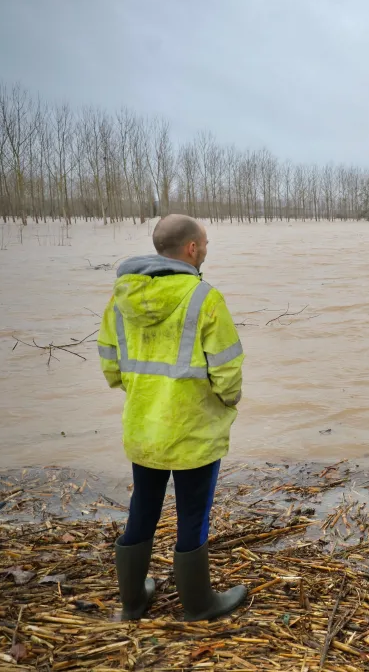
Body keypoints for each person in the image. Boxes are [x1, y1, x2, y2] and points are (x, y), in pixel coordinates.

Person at [97, 214, 247, 622]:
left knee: (143, 507)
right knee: (193, 514)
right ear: (192, 249)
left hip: (144, 427)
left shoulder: (120, 297)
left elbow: (110, 365)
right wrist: (228, 402)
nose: (207, 250)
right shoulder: (204, 298)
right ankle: (199, 604)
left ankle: (132, 601)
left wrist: (143, 395)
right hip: (194, 430)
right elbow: (228, 372)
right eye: (206, 244)